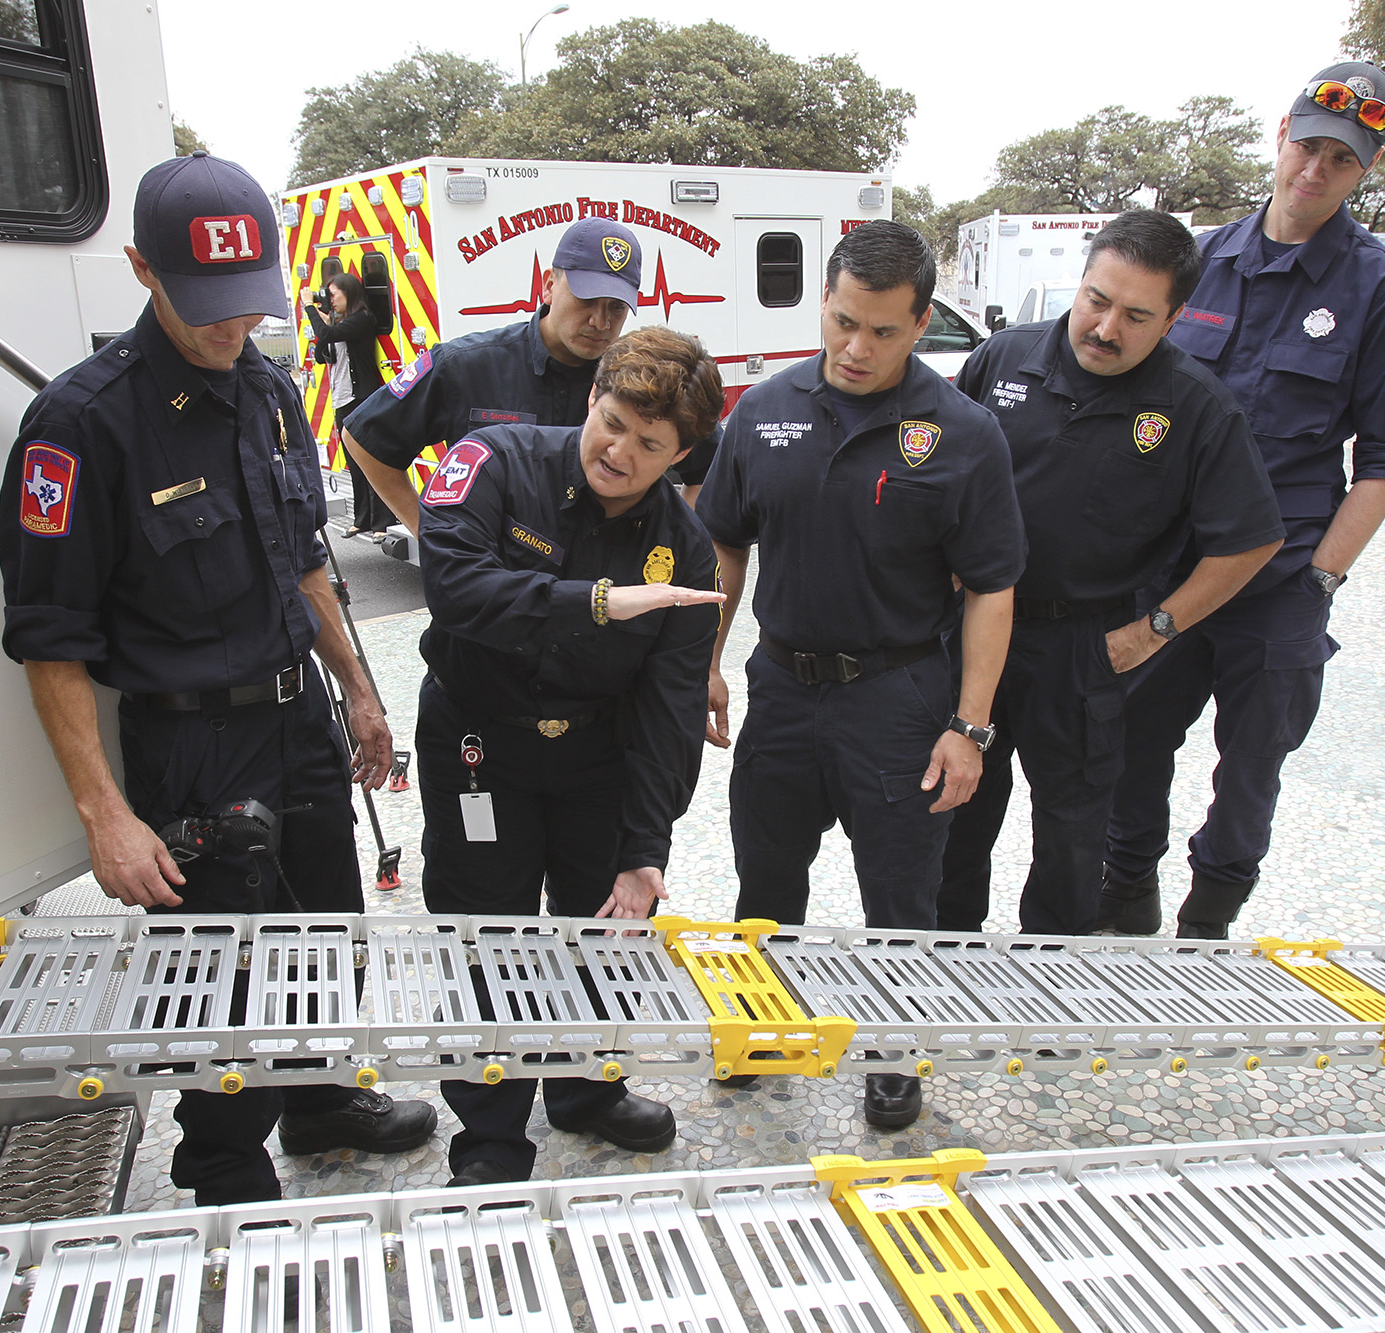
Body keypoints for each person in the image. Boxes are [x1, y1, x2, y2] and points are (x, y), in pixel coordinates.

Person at [0, 152, 436, 1205]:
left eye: (246, 307)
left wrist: (362, 694)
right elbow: (48, 639)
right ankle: (226, 1168)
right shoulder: (80, 423)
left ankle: (324, 1097)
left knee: (327, 930)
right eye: (206, 308)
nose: (229, 329)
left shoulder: (271, 389)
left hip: (299, 722)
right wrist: (103, 813)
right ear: (143, 269)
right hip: (191, 746)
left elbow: (303, 563)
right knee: (220, 973)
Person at [698, 220, 1025, 1127]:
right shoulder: (762, 412)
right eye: (842, 321)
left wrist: (970, 728)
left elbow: (993, 590)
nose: (855, 346)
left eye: (883, 330)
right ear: (825, 304)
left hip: (901, 695)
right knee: (765, 878)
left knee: (900, 892)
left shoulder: (964, 434)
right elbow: (725, 541)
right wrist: (708, 659)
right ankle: (759, 1027)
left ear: (922, 322)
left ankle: (894, 1052)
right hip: (785, 691)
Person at [1098, 61, 1385, 940]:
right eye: (1307, 147)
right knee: (1131, 748)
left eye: (1342, 159)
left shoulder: (1383, 291)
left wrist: (1321, 581)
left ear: (1366, 171)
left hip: (1280, 580)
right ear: (1279, 139)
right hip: (1167, 572)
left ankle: (1209, 923)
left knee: (1251, 770)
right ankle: (1125, 894)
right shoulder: (1197, 261)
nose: (1315, 171)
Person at [412, 327, 725, 1185]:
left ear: (682, 453)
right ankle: (489, 1139)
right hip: (481, 746)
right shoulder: (494, 461)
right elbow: (453, 586)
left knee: (606, 935)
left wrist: (645, 849)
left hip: (597, 755)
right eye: (612, 421)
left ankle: (587, 1090)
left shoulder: (684, 550)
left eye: (650, 443)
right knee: (490, 944)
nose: (619, 451)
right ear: (592, 398)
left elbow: (669, 709)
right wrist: (596, 602)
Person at [936, 211, 1283, 937]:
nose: (1104, 327)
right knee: (952, 827)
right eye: (1095, 299)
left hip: (1084, 650)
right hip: (974, 637)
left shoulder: (1197, 406)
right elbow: (938, 484)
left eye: (1135, 315)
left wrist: (1154, 631)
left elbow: (1251, 540)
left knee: (1070, 842)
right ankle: (940, 973)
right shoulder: (1001, 360)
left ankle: (1051, 1009)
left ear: (1174, 317)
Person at [341, 219, 716, 536]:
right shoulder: (468, 365)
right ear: (549, 284)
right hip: (496, 589)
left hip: (602, 595)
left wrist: (665, 548)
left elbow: (708, 467)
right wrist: (433, 535)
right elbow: (365, 439)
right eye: (586, 300)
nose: (600, 322)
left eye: (616, 307)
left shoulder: (638, 380)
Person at [304, 270, 391, 535]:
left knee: (371, 460)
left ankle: (382, 522)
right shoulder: (339, 324)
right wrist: (326, 323)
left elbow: (329, 336)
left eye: (333, 295)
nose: (329, 300)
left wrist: (310, 308)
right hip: (342, 398)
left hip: (361, 398)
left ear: (348, 293)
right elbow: (322, 354)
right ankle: (362, 519)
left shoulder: (362, 319)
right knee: (354, 461)